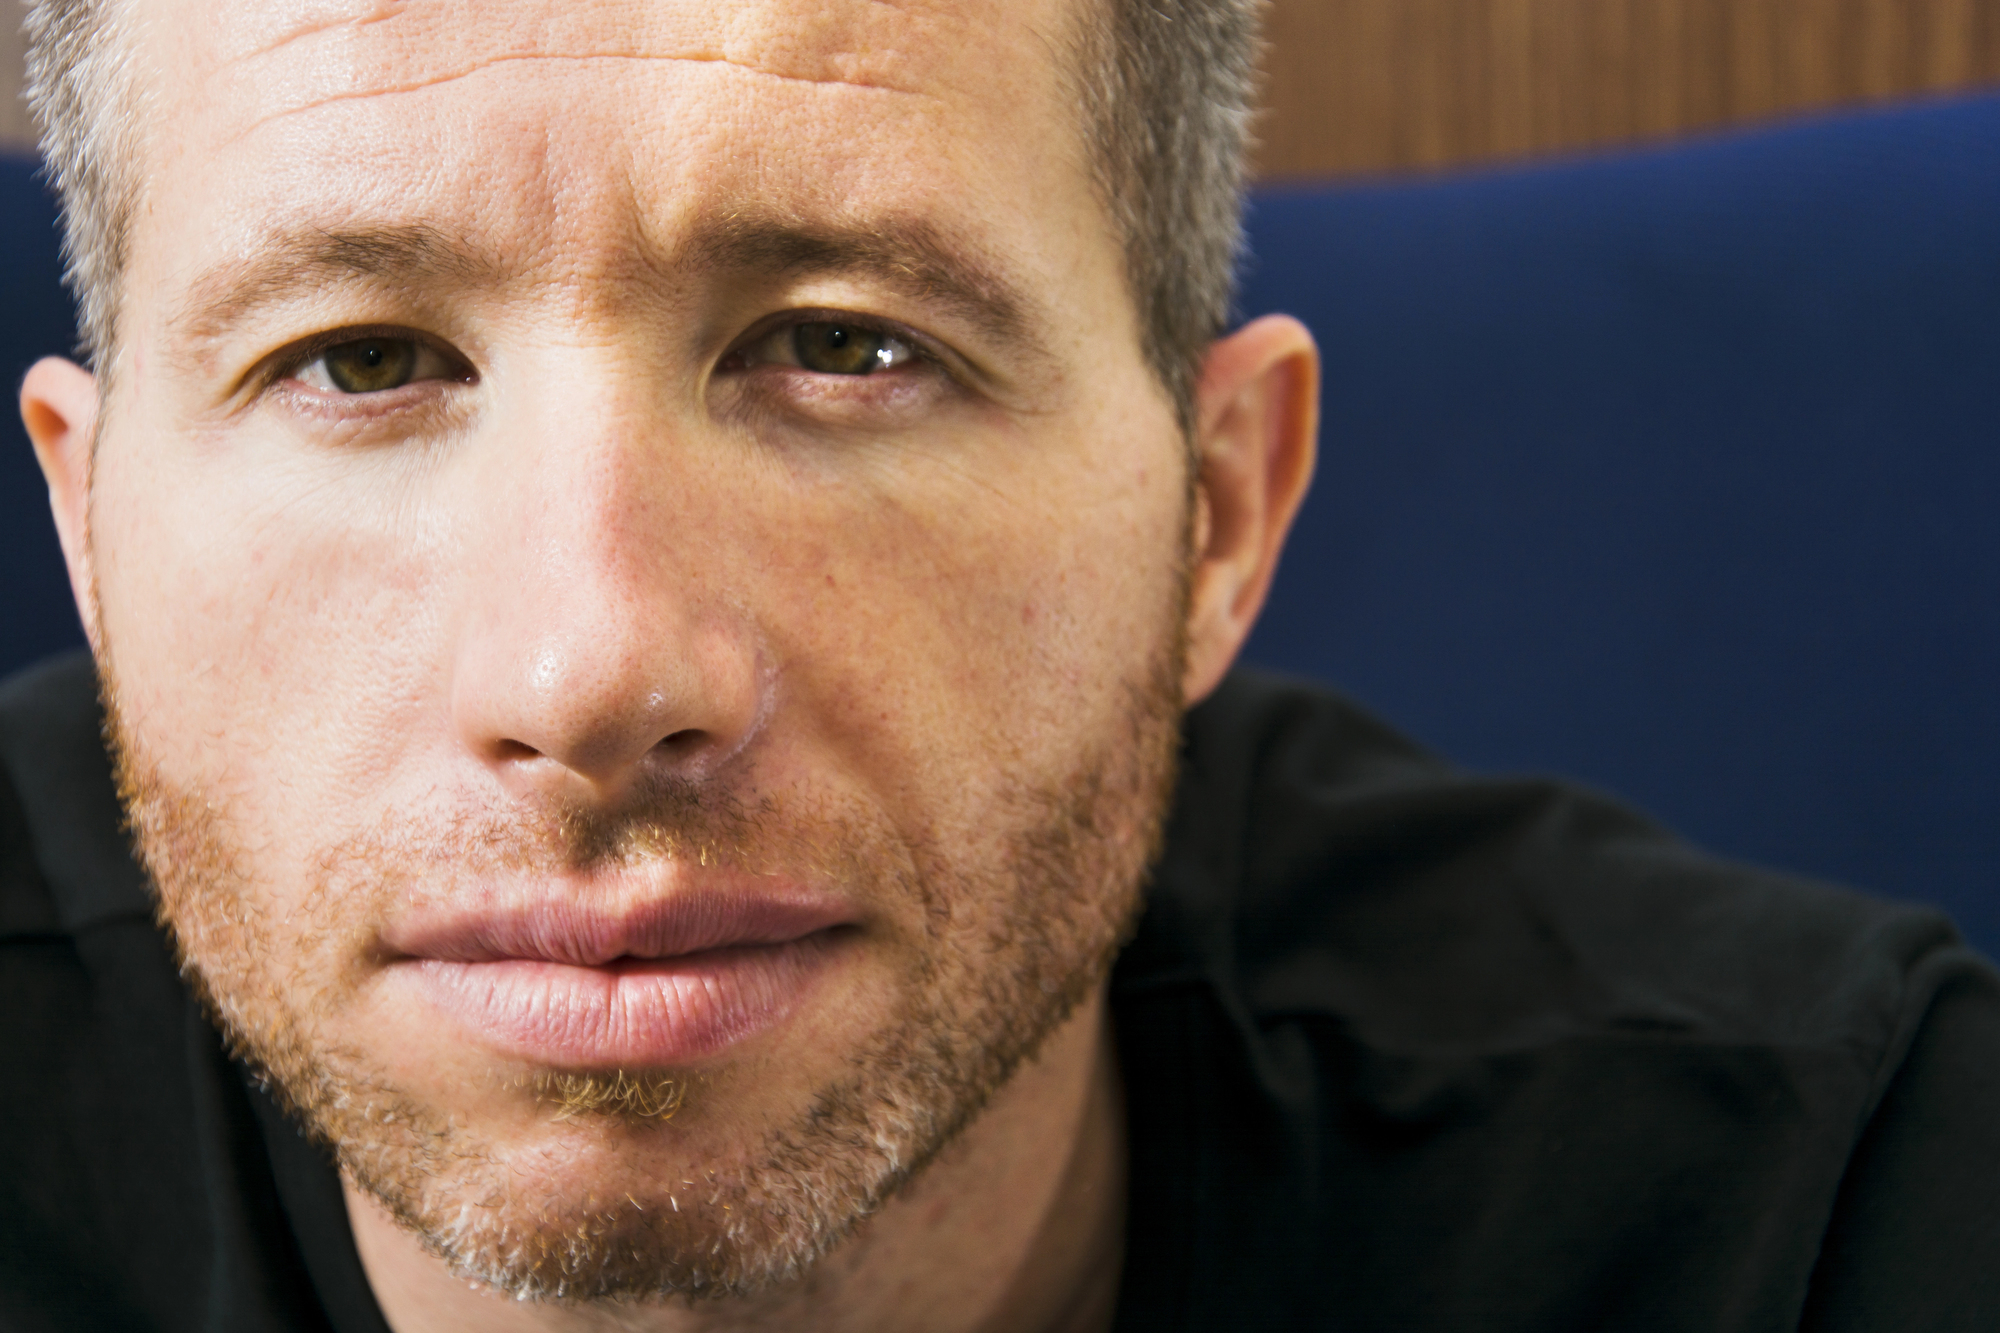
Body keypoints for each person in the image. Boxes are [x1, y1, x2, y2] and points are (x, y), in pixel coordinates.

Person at [3, 0, 1998, 1328]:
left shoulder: (1827, 1217)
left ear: (1215, 517)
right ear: (92, 536)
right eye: (360, 360)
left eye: (847, 343)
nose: (590, 664)